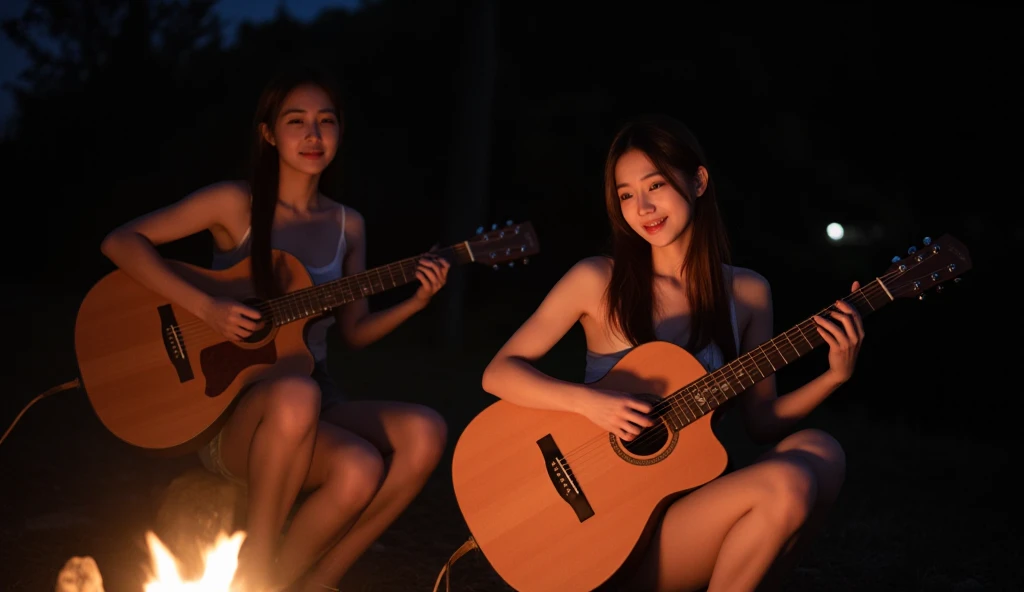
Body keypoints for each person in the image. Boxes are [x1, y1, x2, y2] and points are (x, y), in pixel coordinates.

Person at [100, 64, 449, 592]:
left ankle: (313, 582)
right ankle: (256, 569)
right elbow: (121, 242)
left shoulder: (347, 226)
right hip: (231, 407)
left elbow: (353, 331)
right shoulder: (234, 204)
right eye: (296, 121)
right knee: (295, 394)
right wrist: (205, 307)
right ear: (268, 134)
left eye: (326, 121)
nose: (313, 134)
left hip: (315, 393)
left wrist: (417, 303)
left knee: (420, 435)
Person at [480, 113, 864, 592]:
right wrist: (591, 403)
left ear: (698, 181)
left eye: (655, 185)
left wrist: (834, 376)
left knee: (823, 452)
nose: (641, 207)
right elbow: (498, 373)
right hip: (605, 533)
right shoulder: (598, 279)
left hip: (680, 518)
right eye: (625, 194)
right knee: (785, 484)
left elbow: (762, 422)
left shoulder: (747, 293)